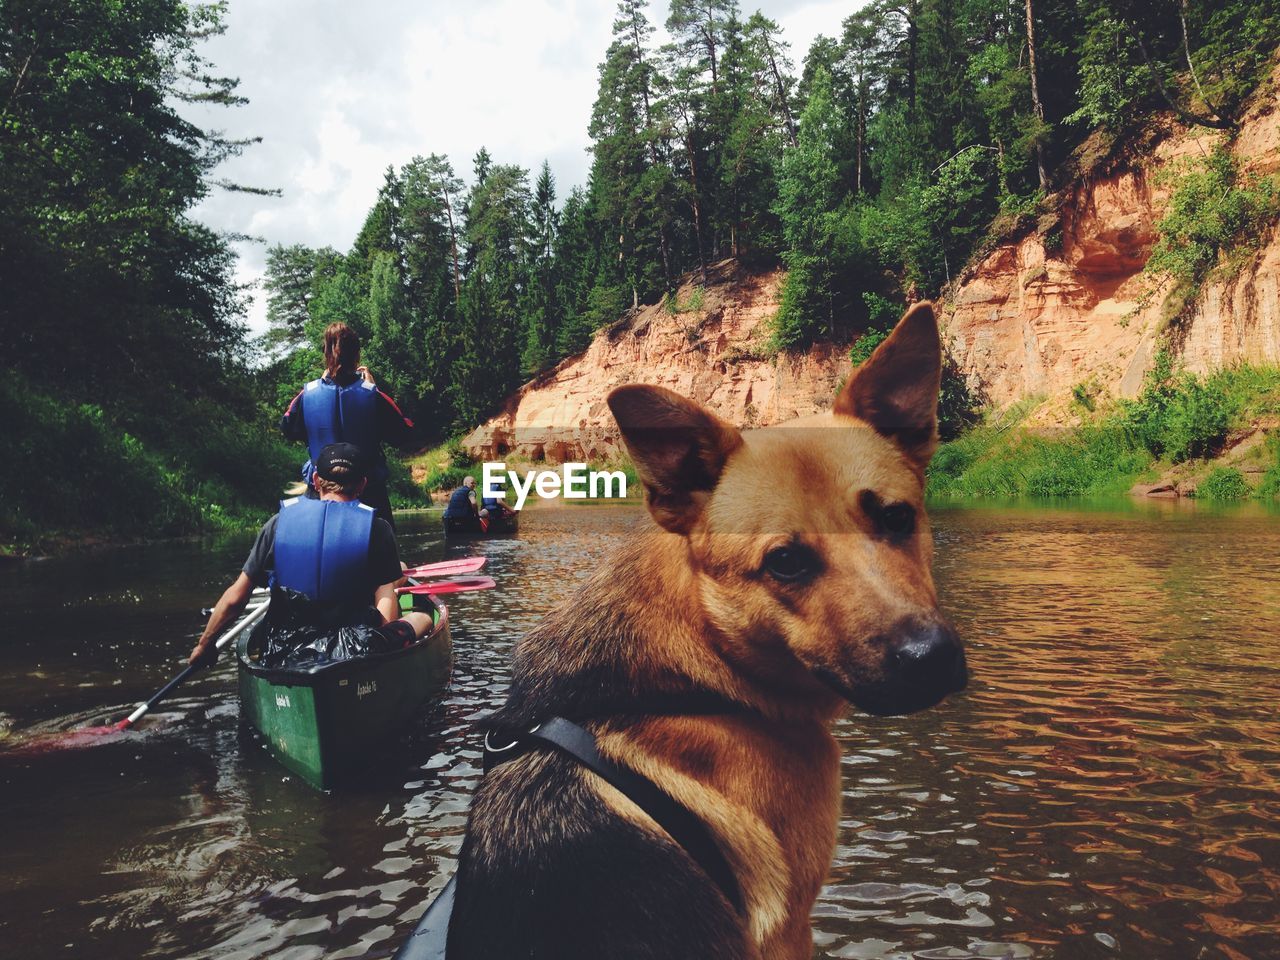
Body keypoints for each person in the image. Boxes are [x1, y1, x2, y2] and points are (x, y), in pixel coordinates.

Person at [188, 443, 432, 668]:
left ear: (316, 480)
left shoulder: (278, 523)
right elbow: (386, 615)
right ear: (362, 485)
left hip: (285, 649)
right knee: (423, 618)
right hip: (351, 651)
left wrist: (204, 644)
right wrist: (383, 644)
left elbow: (234, 599)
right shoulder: (378, 529)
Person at [281, 322, 414, 529]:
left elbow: (288, 428)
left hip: (320, 492)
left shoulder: (306, 396)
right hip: (366, 493)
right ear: (357, 356)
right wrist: (373, 388)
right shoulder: (373, 396)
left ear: (326, 354)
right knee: (385, 549)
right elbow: (404, 434)